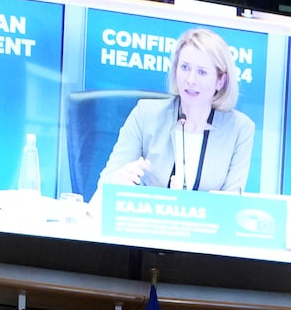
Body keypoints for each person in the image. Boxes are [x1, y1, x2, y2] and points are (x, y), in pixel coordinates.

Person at [95, 26, 256, 196]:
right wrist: (118, 180)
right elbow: (106, 183)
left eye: (202, 72)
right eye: (185, 68)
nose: (190, 80)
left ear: (220, 81)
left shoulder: (240, 129)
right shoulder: (145, 115)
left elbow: (232, 204)